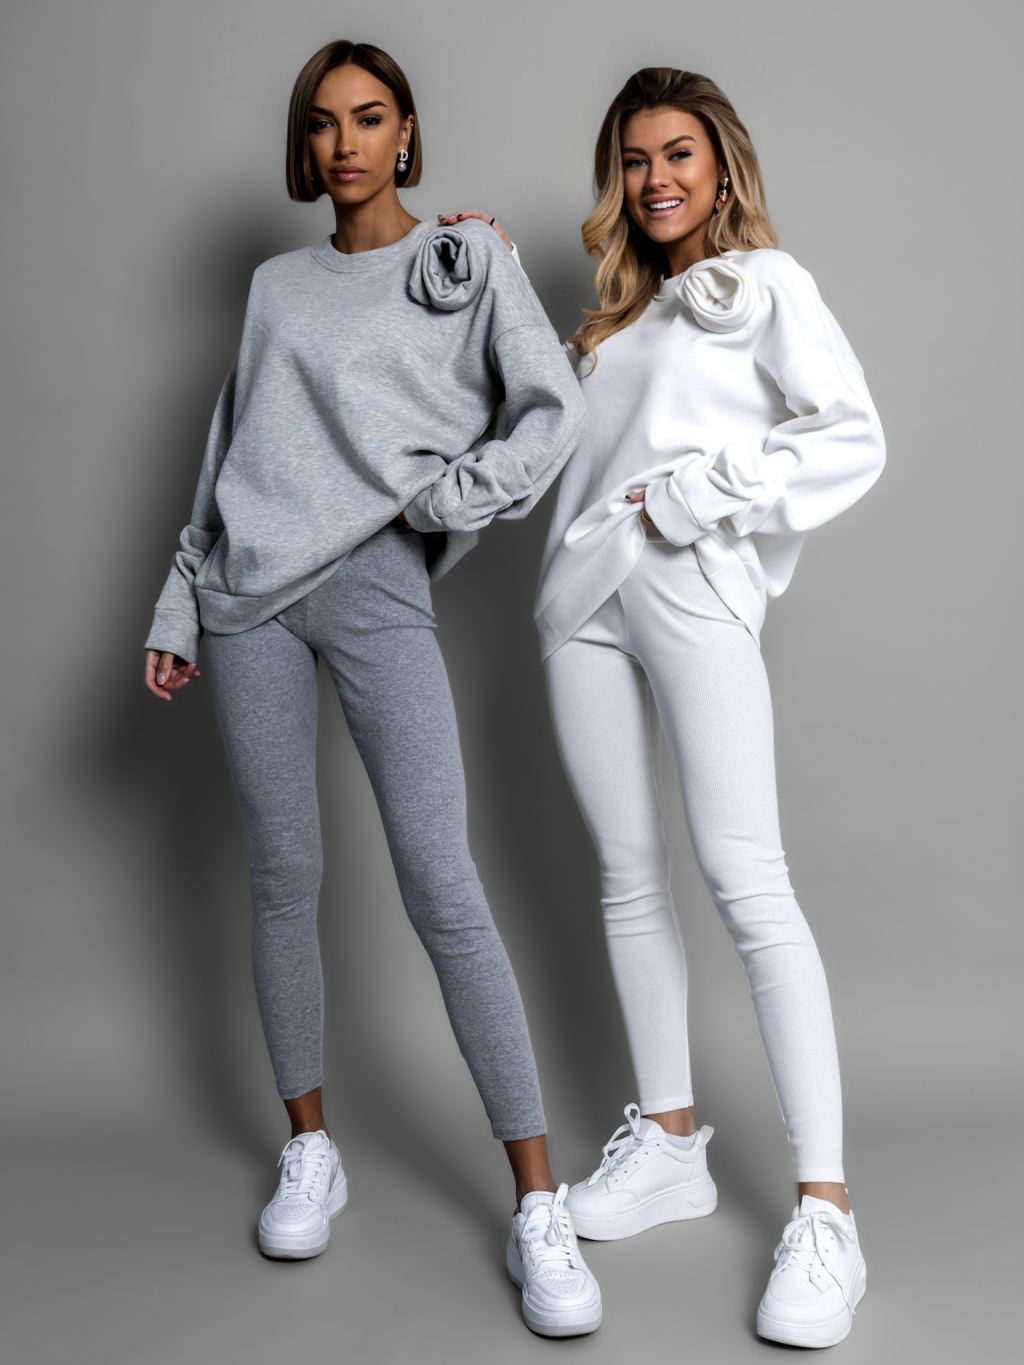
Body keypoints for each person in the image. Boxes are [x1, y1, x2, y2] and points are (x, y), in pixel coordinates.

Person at [143, 40, 601, 1339]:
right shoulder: (275, 286)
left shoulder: (467, 260)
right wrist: (178, 602)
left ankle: (537, 1201)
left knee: (442, 885)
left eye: (369, 118)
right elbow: (227, 451)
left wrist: (453, 500)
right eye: (323, 123)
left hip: (378, 588)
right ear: (306, 144)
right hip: (246, 601)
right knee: (282, 875)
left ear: (406, 134)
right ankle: (311, 1147)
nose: (345, 143)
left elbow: (551, 408)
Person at [443, 63, 884, 1349]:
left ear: (719, 162)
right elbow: (543, 451)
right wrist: (488, 273)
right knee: (627, 879)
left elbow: (850, 433)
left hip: (690, 584)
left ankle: (826, 1211)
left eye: (677, 153)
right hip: (579, 605)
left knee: (747, 879)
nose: (655, 179)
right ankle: (672, 1146)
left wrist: (704, 495)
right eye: (634, 160)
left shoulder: (764, 287)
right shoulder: (607, 331)